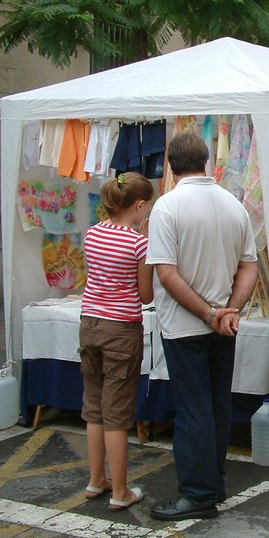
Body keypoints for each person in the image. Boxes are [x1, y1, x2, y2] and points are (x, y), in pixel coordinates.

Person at [147, 132, 259, 521]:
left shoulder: (166, 207)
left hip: (187, 326)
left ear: (170, 163)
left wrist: (212, 313)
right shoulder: (234, 205)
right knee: (215, 405)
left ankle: (198, 493)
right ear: (207, 161)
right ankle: (212, 481)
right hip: (221, 324)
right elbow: (250, 264)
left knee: (195, 410)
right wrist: (230, 309)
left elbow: (167, 274)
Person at [80, 172, 154, 512]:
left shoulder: (92, 234)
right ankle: (120, 490)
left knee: (94, 407)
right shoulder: (138, 242)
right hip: (121, 329)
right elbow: (144, 294)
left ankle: (97, 480)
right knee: (117, 412)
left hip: (89, 323)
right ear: (138, 205)